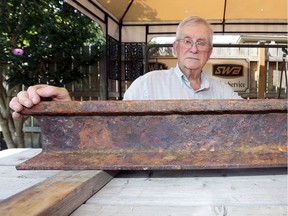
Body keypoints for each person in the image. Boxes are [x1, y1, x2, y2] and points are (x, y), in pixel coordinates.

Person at [9, 16, 242, 119]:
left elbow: (252, 120)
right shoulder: (148, 84)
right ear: (175, 48)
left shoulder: (224, 91)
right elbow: (115, 123)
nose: (194, 48)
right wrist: (69, 109)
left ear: (209, 52)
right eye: (187, 41)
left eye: (201, 43)